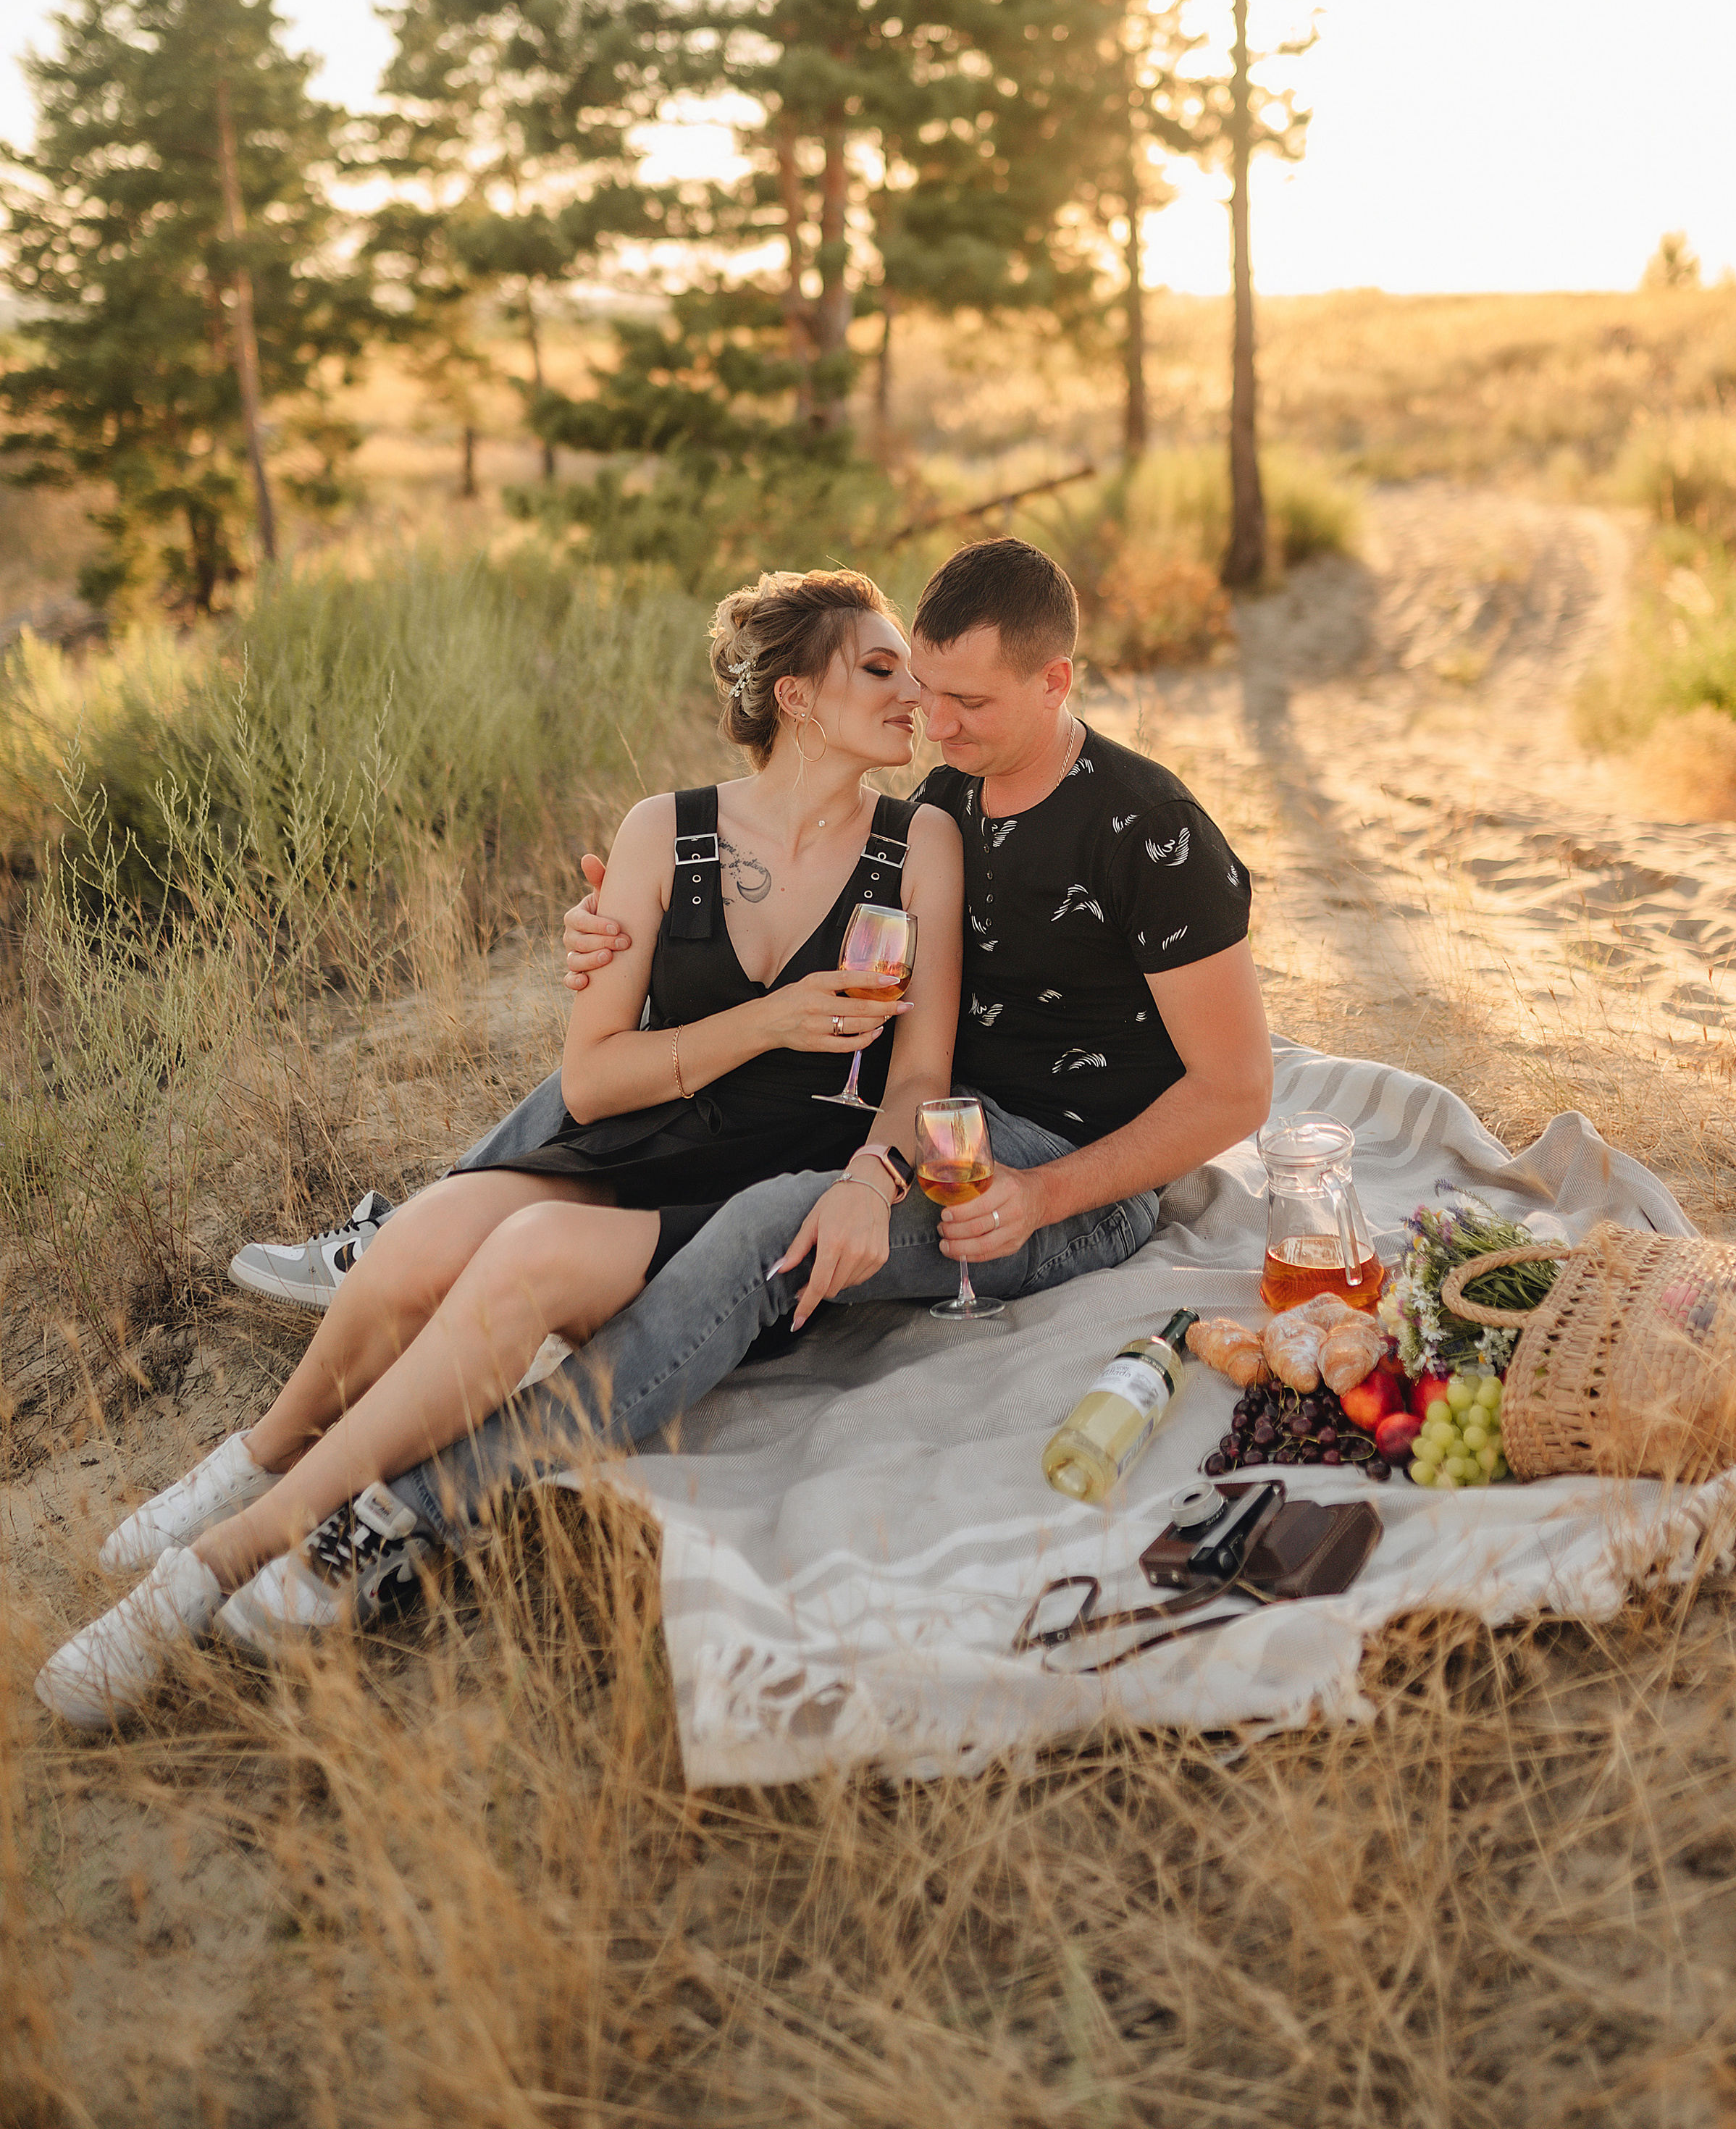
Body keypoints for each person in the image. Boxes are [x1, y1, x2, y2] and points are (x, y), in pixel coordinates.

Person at [156, 537, 1273, 1653]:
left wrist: (1037, 1197)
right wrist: (616, 932)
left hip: (1054, 1172)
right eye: (921, 692)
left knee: (768, 1221)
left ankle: (409, 1514)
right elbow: (862, 989)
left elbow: (1235, 1092)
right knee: (596, 1083)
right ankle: (415, 1233)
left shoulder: (1152, 830)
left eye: (964, 702)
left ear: (1055, 682)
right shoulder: (949, 795)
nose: (934, 722)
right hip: (925, 1121)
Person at [37, 568, 963, 1728]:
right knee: (421, 1242)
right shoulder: (661, 833)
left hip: (749, 1202)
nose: (912, 688)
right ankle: (261, 1450)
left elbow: (919, 1078)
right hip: (636, 1137)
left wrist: (872, 1180)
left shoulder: (917, 841)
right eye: (880, 667)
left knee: (523, 1254)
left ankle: (216, 1560)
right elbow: (592, 1075)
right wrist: (770, 1021)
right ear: (796, 696)